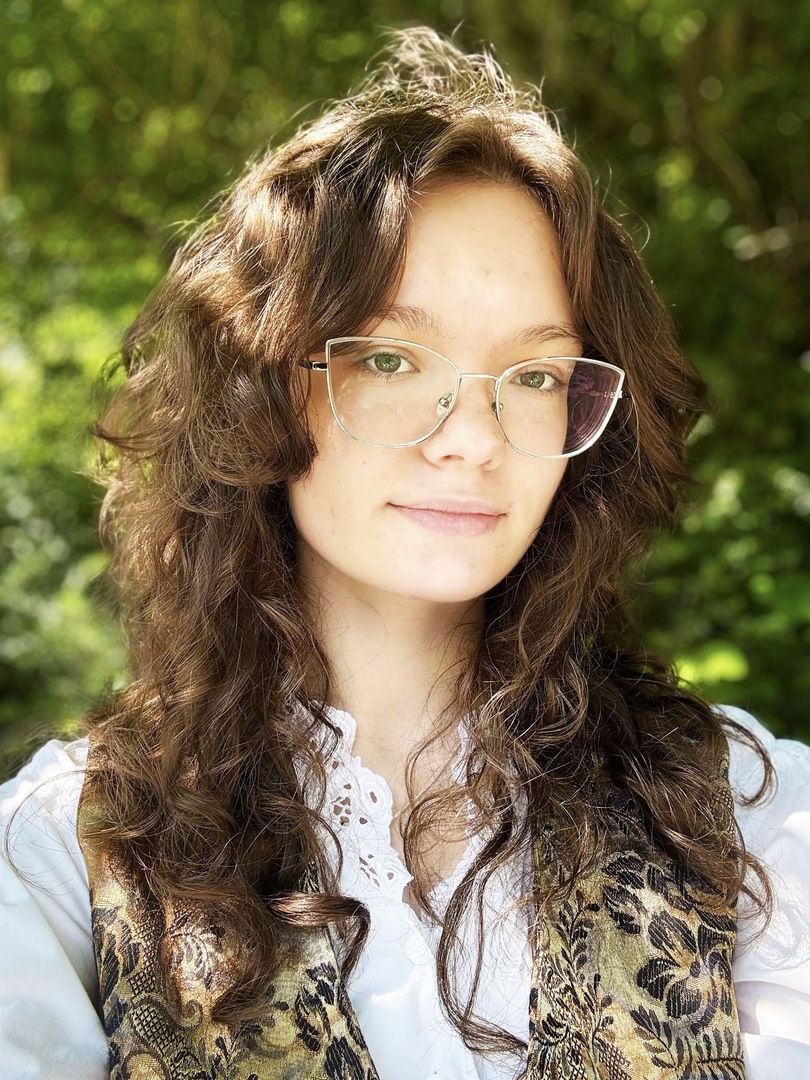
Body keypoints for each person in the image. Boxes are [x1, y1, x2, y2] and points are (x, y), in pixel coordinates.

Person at [1, 27, 808, 1080]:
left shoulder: (751, 814)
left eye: (534, 375)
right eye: (390, 358)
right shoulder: (64, 854)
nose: (472, 437)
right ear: (258, 390)